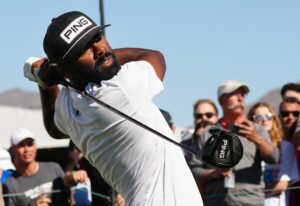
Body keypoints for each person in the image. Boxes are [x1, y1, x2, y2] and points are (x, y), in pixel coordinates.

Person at [23, 11, 203, 205]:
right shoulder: (121, 88)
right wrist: (53, 75)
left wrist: (44, 82)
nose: (99, 49)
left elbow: (52, 126)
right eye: (84, 48)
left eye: (97, 37)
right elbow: (154, 56)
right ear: (65, 68)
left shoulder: (69, 105)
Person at [189, 80, 279, 206]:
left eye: (242, 94)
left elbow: (274, 158)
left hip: (250, 202)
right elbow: (194, 170)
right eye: (234, 94)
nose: (240, 98)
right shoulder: (209, 133)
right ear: (221, 100)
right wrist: (214, 173)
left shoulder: (256, 129)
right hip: (217, 202)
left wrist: (256, 138)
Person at [3, 128, 88, 206]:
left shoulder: (53, 167)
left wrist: (73, 176)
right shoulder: (10, 184)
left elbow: (66, 183)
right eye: (21, 145)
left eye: (30, 144)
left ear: (35, 147)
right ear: (12, 150)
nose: (26, 149)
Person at [248, 102, 299, 206]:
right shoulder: (247, 148)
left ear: (274, 118)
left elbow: (282, 184)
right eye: (258, 117)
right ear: (251, 121)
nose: (264, 120)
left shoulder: (285, 147)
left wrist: (253, 193)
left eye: (268, 116)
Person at [66, 140, 125, 206]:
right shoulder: (79, 164)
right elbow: (67, 176)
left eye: (86, 148)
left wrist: (120, 195)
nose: (84, 152)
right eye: (79, 149)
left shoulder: (90, 162)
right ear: (71, 154)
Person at [278, 97, 300, 206]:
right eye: (285, 113)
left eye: (296, 113)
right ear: (279, 116)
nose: (290, 117)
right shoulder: (274, 144)